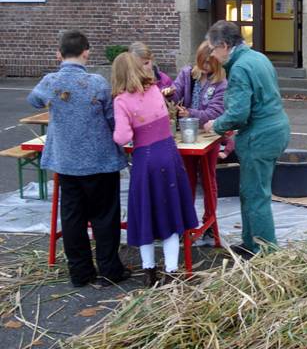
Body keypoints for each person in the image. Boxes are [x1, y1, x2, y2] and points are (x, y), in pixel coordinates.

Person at [27, 30, 129, 288]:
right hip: (100, 160)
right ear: (87, 52)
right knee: (105, 217)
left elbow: (34, 100)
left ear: (58, 54)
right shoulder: (98, 83)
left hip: (67, 161)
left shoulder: (51, 81)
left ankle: (80, 272)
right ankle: (109, 269)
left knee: (72, 217)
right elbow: (111, 120)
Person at [203, 20, 290, 258]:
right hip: (275, 129)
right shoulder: (257, 57)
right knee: (250, 191)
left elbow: (239, 113)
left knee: (256, 195)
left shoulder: (240, 67)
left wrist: (216, 125)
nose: (212, 54)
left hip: (260, 136)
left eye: (212, 49)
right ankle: (250, 243)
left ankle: (265, 252)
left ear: (223, 45)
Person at [111, 52, 198, 286]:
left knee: (145, 214)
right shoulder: (154, 91)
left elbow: (122, 137)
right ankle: (171, 270)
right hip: (169, 155)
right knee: (170, 213)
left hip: (145, 160)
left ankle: (149, 272)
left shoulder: (121, 101)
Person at [162, 40, 233, 245]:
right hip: (186, 136)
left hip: (208, 135)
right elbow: (176, 90)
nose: (204, 68)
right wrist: (169, 93)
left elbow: (215, 112)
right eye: (202, 63)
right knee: (187, 179)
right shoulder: (188, 74)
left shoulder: (221, 83)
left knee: (208, 178)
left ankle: (209, 221)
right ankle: (187, 222)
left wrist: (190, 113)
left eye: (209, 64)